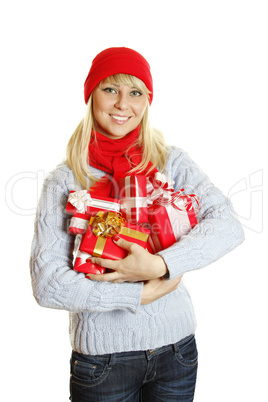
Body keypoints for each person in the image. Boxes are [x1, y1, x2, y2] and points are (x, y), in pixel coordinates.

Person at [30, 47, 245, 402]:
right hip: (103, 361)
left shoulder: (171, 162)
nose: (122, 104)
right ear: (91, 95)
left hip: (177, 349)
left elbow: (228, 225)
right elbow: (47, 284)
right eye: (110, 89)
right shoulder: (65, 179)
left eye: (135, 93)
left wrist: (159, 264)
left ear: (147, 101)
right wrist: (137, 292)